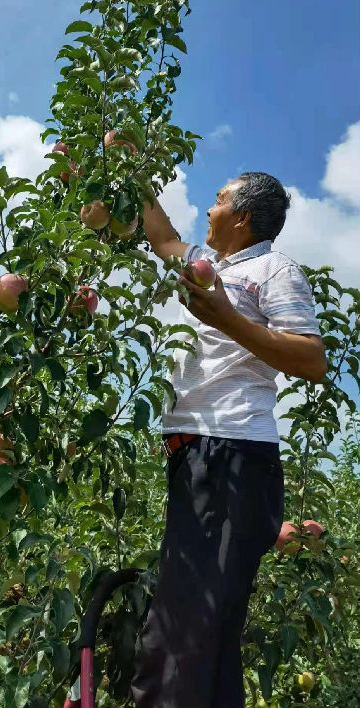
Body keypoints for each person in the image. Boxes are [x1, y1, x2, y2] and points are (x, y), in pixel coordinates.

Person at [130, 172, 327, 708]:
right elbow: (162, 236)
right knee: (203, 636)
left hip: (232, 453)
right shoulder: (206, 264)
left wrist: (226, 317)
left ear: (242, 217)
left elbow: (311, 360)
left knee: (180, 637)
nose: (209, 209)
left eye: (218, 201)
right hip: (198, 454)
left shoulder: (273, 269)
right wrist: (130, 168)